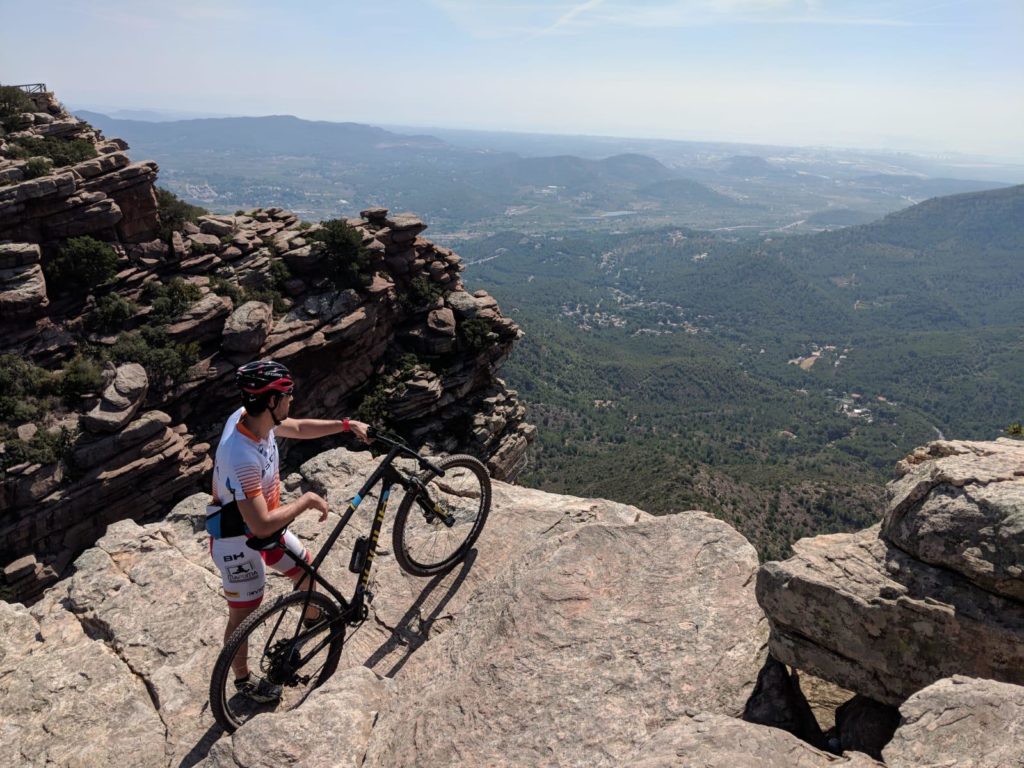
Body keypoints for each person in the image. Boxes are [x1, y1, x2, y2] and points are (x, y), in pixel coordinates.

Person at [207, 359, 369, 702]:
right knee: (245, 612)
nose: (292, 399)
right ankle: (242, 681)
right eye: (287, 394)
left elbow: (295, 428)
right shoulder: (241, 454)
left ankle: (308, 629)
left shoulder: (250, 419)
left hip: (263, 528)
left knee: (307, 571)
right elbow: (261, 522)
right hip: (237, 540)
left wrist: (344, 424)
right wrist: (307, 500)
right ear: (270, 401)